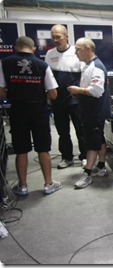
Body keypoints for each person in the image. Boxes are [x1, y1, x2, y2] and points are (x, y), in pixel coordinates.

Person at [0, 36, 62, 196]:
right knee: (43, 148)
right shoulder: (42, 65)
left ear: (15, 47)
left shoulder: (4, 63)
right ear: (33, 49)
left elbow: (1, 91)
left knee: (21, 150)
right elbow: (53, 94)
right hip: (39, 110)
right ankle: (48, 184)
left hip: (18, 110)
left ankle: (22, 186)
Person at [68, 37, 111, 189]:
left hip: (94, 111)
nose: (75, 52)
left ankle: (87, 174)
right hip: (92, 110)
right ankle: (101, 166)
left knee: (92, 144)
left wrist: (77, 90)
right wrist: (79, 92)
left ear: (87, 49)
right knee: (99, 139)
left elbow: (96, 91)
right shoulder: (88, 65)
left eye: (78, 49)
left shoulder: (96, 66)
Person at [45, 24, 87, 169]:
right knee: (62, 131)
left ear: (66, 36)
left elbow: (84, 75)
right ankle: (67, 157)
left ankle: (85, 156)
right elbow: (47, 77)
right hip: (57, 99)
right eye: (53, 37)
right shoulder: (50, 54)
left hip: (75, 99)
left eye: (58, 36)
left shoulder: (76, 53)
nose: (55, 40)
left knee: (80, 129)